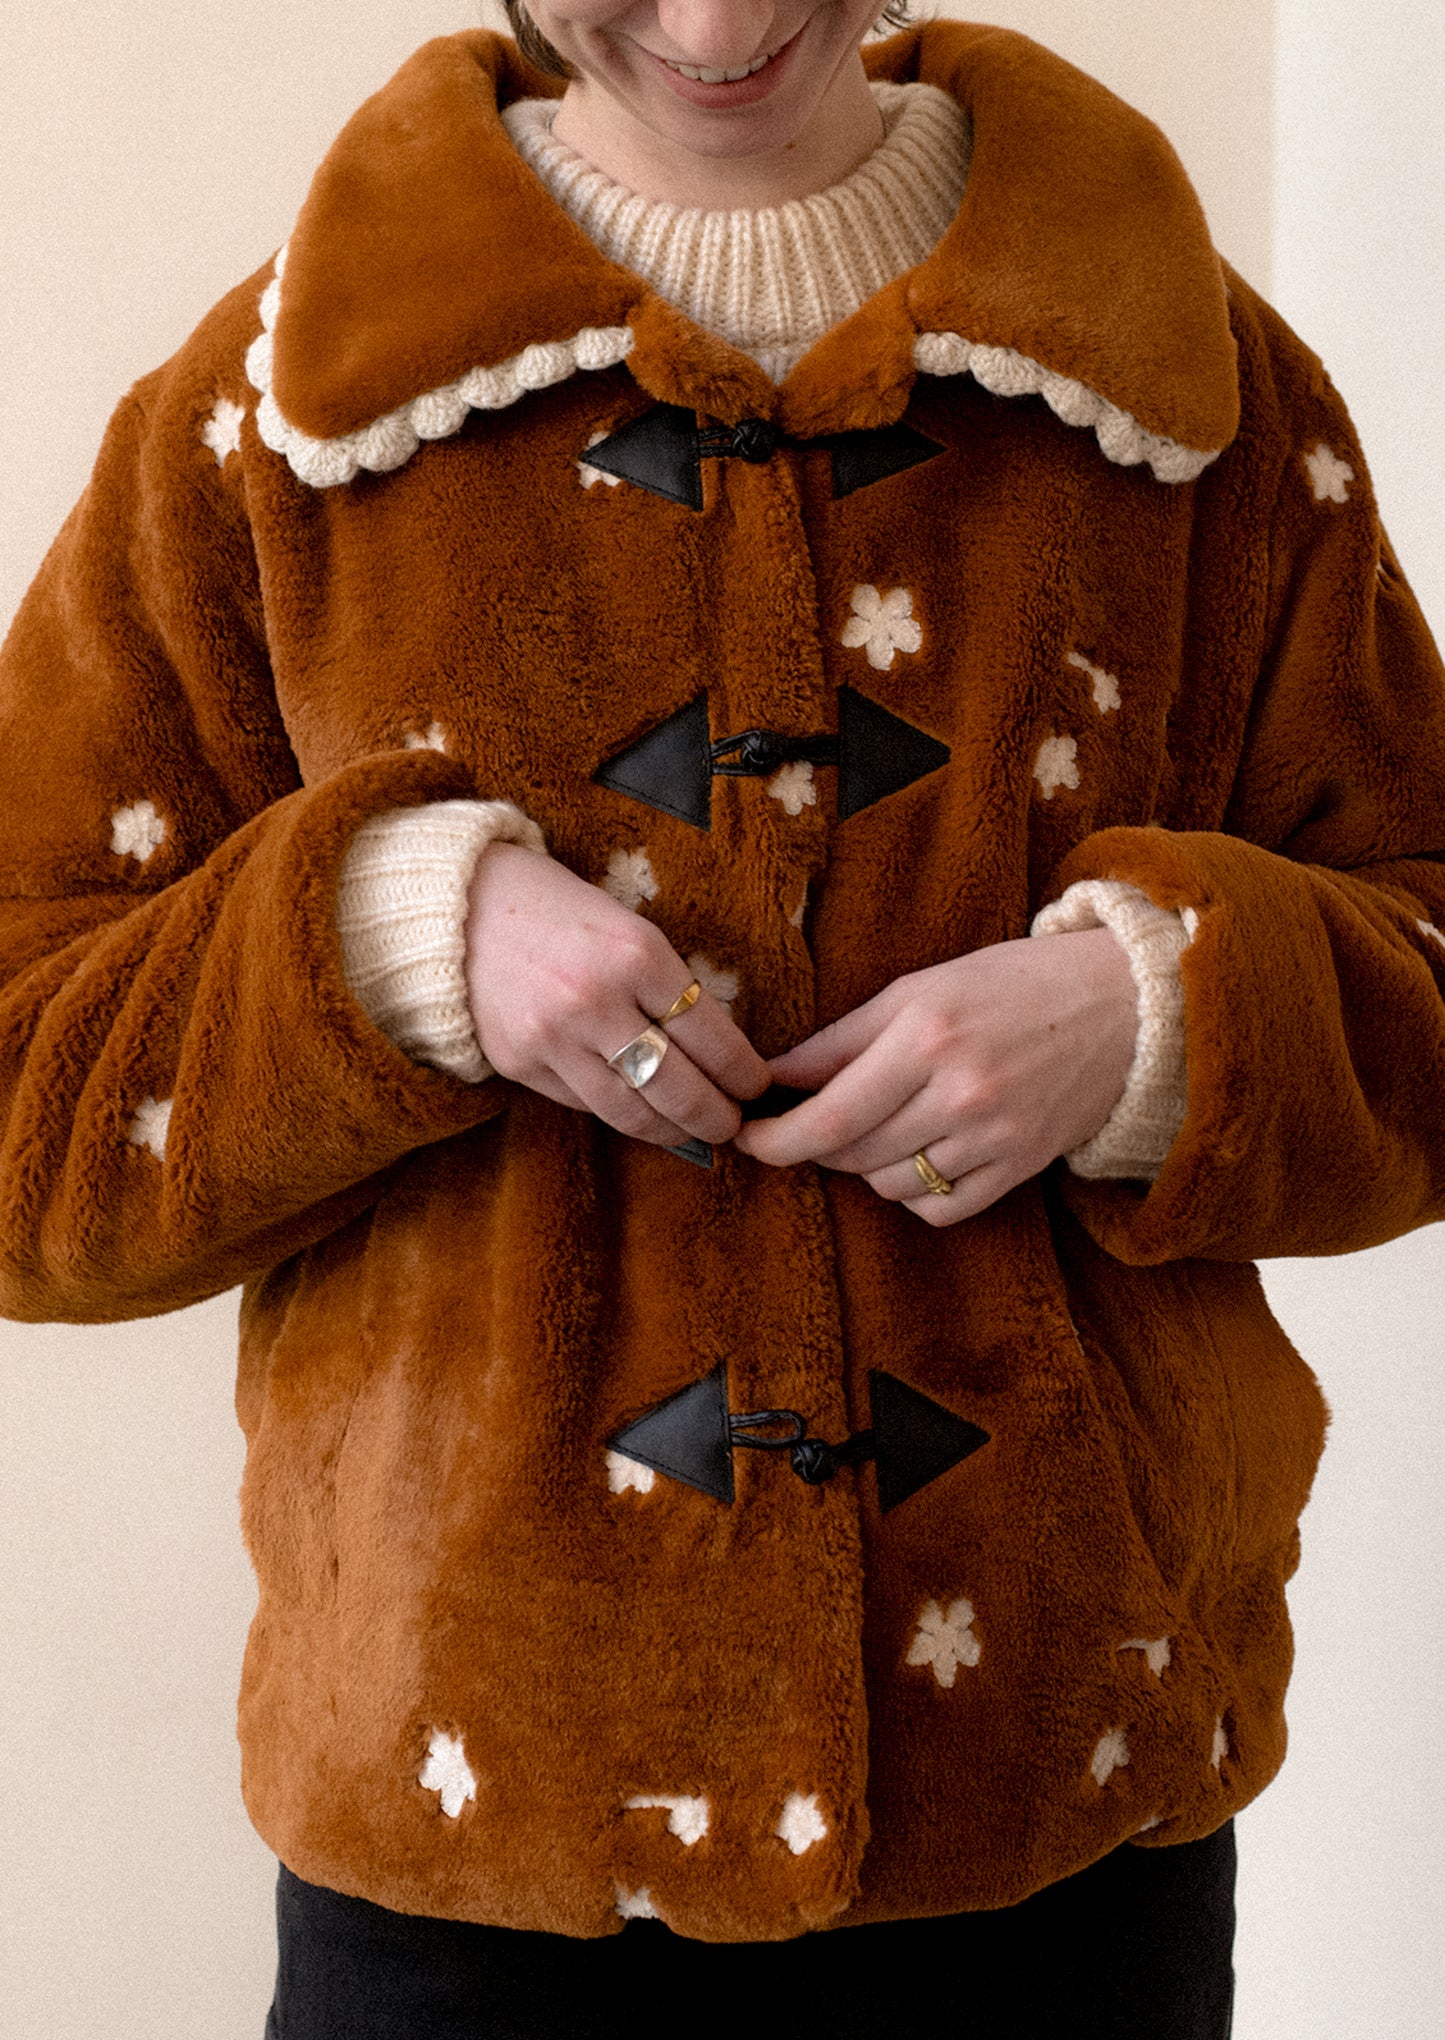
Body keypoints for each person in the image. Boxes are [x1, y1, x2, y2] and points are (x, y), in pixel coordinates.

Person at [2, 3, 1443, 2035]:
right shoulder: (273, 428)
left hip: (1063, 1817)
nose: (706, 20)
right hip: (472, 1865)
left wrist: (1152, 1009)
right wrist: (390, 940)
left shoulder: (1194, 401)